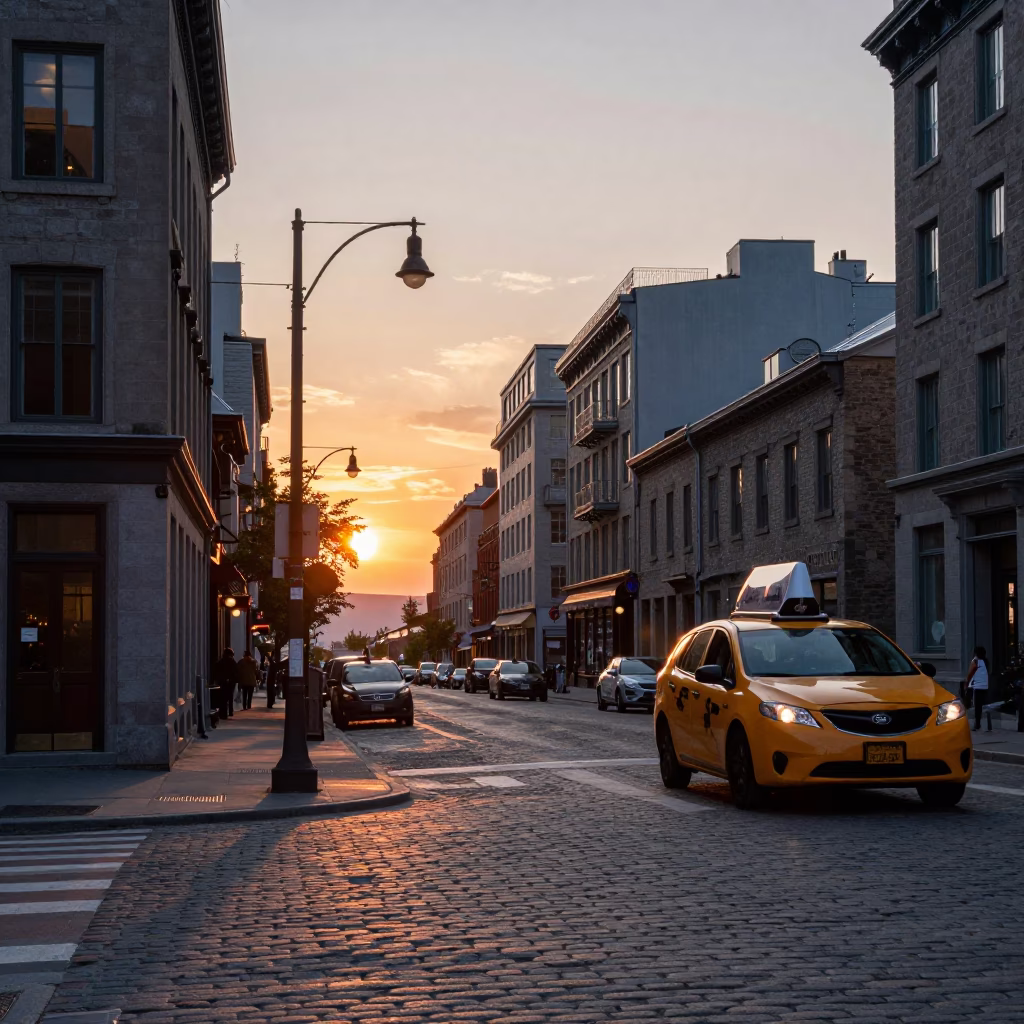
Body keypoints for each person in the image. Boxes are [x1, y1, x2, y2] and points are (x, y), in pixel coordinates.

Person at [966, 645, 990, 732]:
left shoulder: (975, 661)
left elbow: (970, 673)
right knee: (984, 705)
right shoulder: (985, 661)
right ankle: (988, 724)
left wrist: (966, 683)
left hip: (976, 686)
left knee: (977, 706)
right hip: (985, 685)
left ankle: (977, 724)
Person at [213, 648, 237, 721]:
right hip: (230, 682)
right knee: (229, 696)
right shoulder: (232, 662)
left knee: (222, 698)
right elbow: (235, 672)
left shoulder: (220, 662)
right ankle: (230, 711)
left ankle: (223, 713)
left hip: (222, 682)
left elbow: (216, 671)